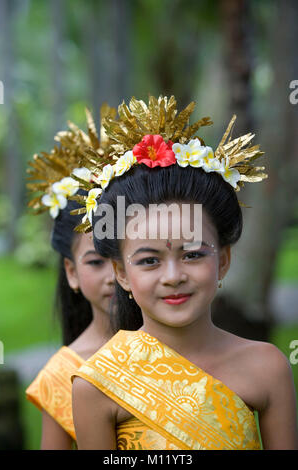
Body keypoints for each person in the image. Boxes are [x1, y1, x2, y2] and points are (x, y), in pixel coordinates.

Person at [71, 95, 298, 450]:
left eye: (192, 254)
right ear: (121, 273)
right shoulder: (97, 384)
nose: (173, 275)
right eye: (149, 260)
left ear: (222, 260)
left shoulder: (267, 367)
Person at [25, 108, 116, 450]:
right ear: (71, 272)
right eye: (96, 262)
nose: (114, 276)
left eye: (126, 258)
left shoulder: (189, 347)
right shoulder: (63, 375)